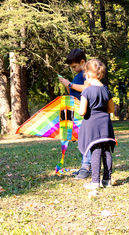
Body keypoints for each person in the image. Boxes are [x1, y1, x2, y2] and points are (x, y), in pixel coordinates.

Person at [78, 59, 116, 189]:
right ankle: (107, 180)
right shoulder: (106, 90)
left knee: (95, 151)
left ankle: (95, 182)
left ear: (88, 73)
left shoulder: (86, 91)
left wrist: (79, 109)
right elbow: (111, 109)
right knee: (106, 151)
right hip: (105, 123)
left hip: (92, 124)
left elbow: (82, 112)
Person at [58, 48, 91, 179]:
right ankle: (88, 165)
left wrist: (69, 84)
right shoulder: (80, 75)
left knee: (86, 141)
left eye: (74, 66)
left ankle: (86, 166)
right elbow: (74, 93)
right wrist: (67, 84)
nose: (73, 69)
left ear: (82, 62)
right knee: (81, 140)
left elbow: (86, 89)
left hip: (86, 113)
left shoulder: (87, 74)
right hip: (77, 111)